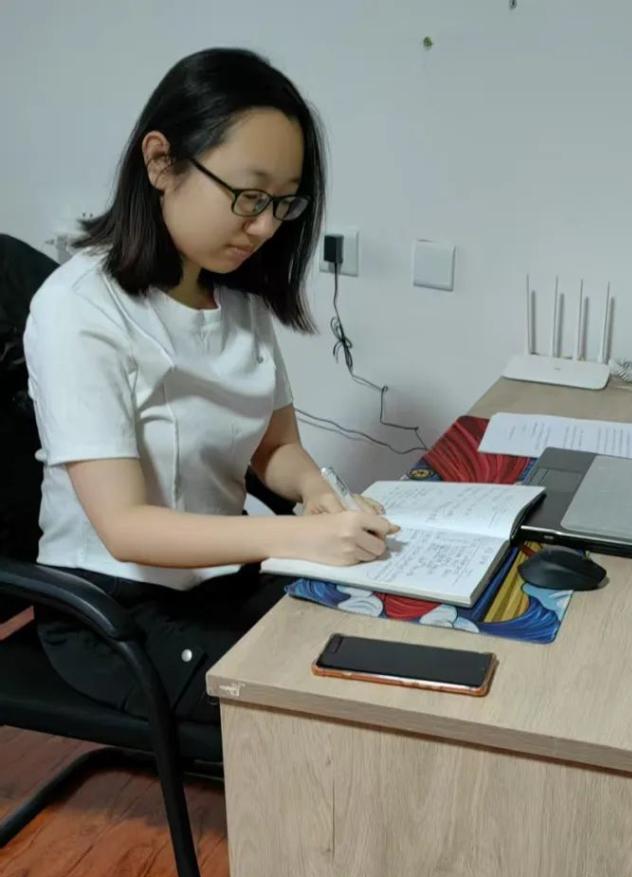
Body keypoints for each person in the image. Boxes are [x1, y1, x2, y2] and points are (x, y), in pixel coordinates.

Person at [25, 47, 397, 723]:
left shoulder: (238, 297)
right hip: (114, 611)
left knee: (385, 646)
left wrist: (316, 493)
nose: (265, 225)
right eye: (249, 196)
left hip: (222, 580)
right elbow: (125, 529)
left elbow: (273, 448)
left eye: (282, 203)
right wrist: (293, 540)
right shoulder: (79, 309)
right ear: (161, 161)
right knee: (330, 705)